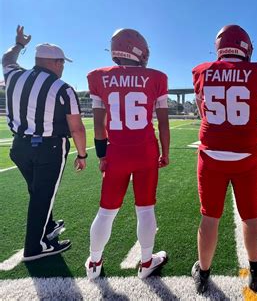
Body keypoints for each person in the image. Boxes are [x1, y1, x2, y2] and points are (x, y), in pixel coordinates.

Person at [191, 25, 257, 294]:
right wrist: (251, 135)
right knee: (251, 216)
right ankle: (256, 271)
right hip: (247, 157)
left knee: (209, 216)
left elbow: (202, 113)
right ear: (246, 47)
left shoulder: (202, 71)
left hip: (211, 155)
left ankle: (203, 273)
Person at [85, 28, 170, 279]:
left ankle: (95, 264)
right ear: (138, 50)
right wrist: (165, 152)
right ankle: (146, 263)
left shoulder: (99, 77)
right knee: (145, 208)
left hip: (116, 151)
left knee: (106, 210)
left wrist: (102, 155)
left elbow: (99, 125)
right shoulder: (156, 77)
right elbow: (163, 123)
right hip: (145, 150)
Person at [2, 26, 87, 261]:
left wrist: (19, 44)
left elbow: (7, 58)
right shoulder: (63, 88)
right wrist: (82, 155)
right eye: (62, 63)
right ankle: (35, 247)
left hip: (19, 147)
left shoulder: (13, 76)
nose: (62, 67)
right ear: (55, 62)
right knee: (42, 195)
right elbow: (76, 127)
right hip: (49, 148)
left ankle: (48, 226)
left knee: (36, 190)